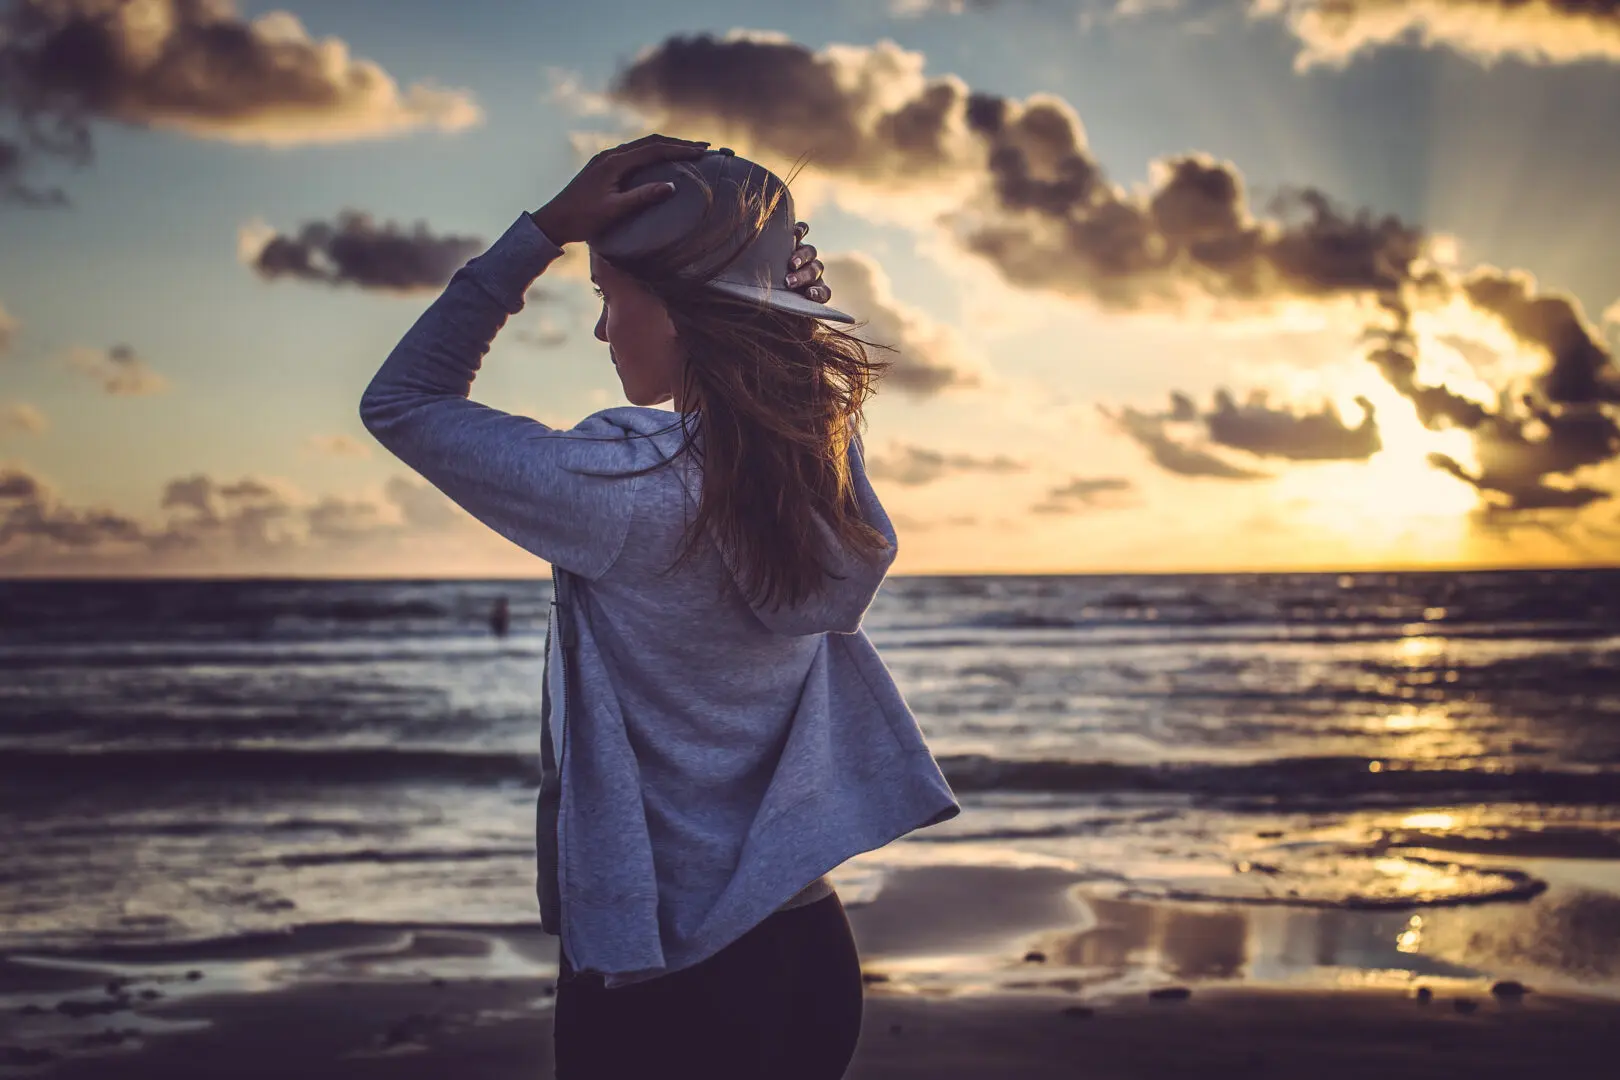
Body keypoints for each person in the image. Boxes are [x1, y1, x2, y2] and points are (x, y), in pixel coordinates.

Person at [360, 134, 960, 1078]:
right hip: (807, 952)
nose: (604, 332)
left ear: (680, 312)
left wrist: (545, 231)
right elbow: (791, 412)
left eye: (609, 296)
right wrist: (787, 320)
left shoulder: (621, 488)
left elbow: (403, 401)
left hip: (673, 974)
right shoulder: (806, 472)